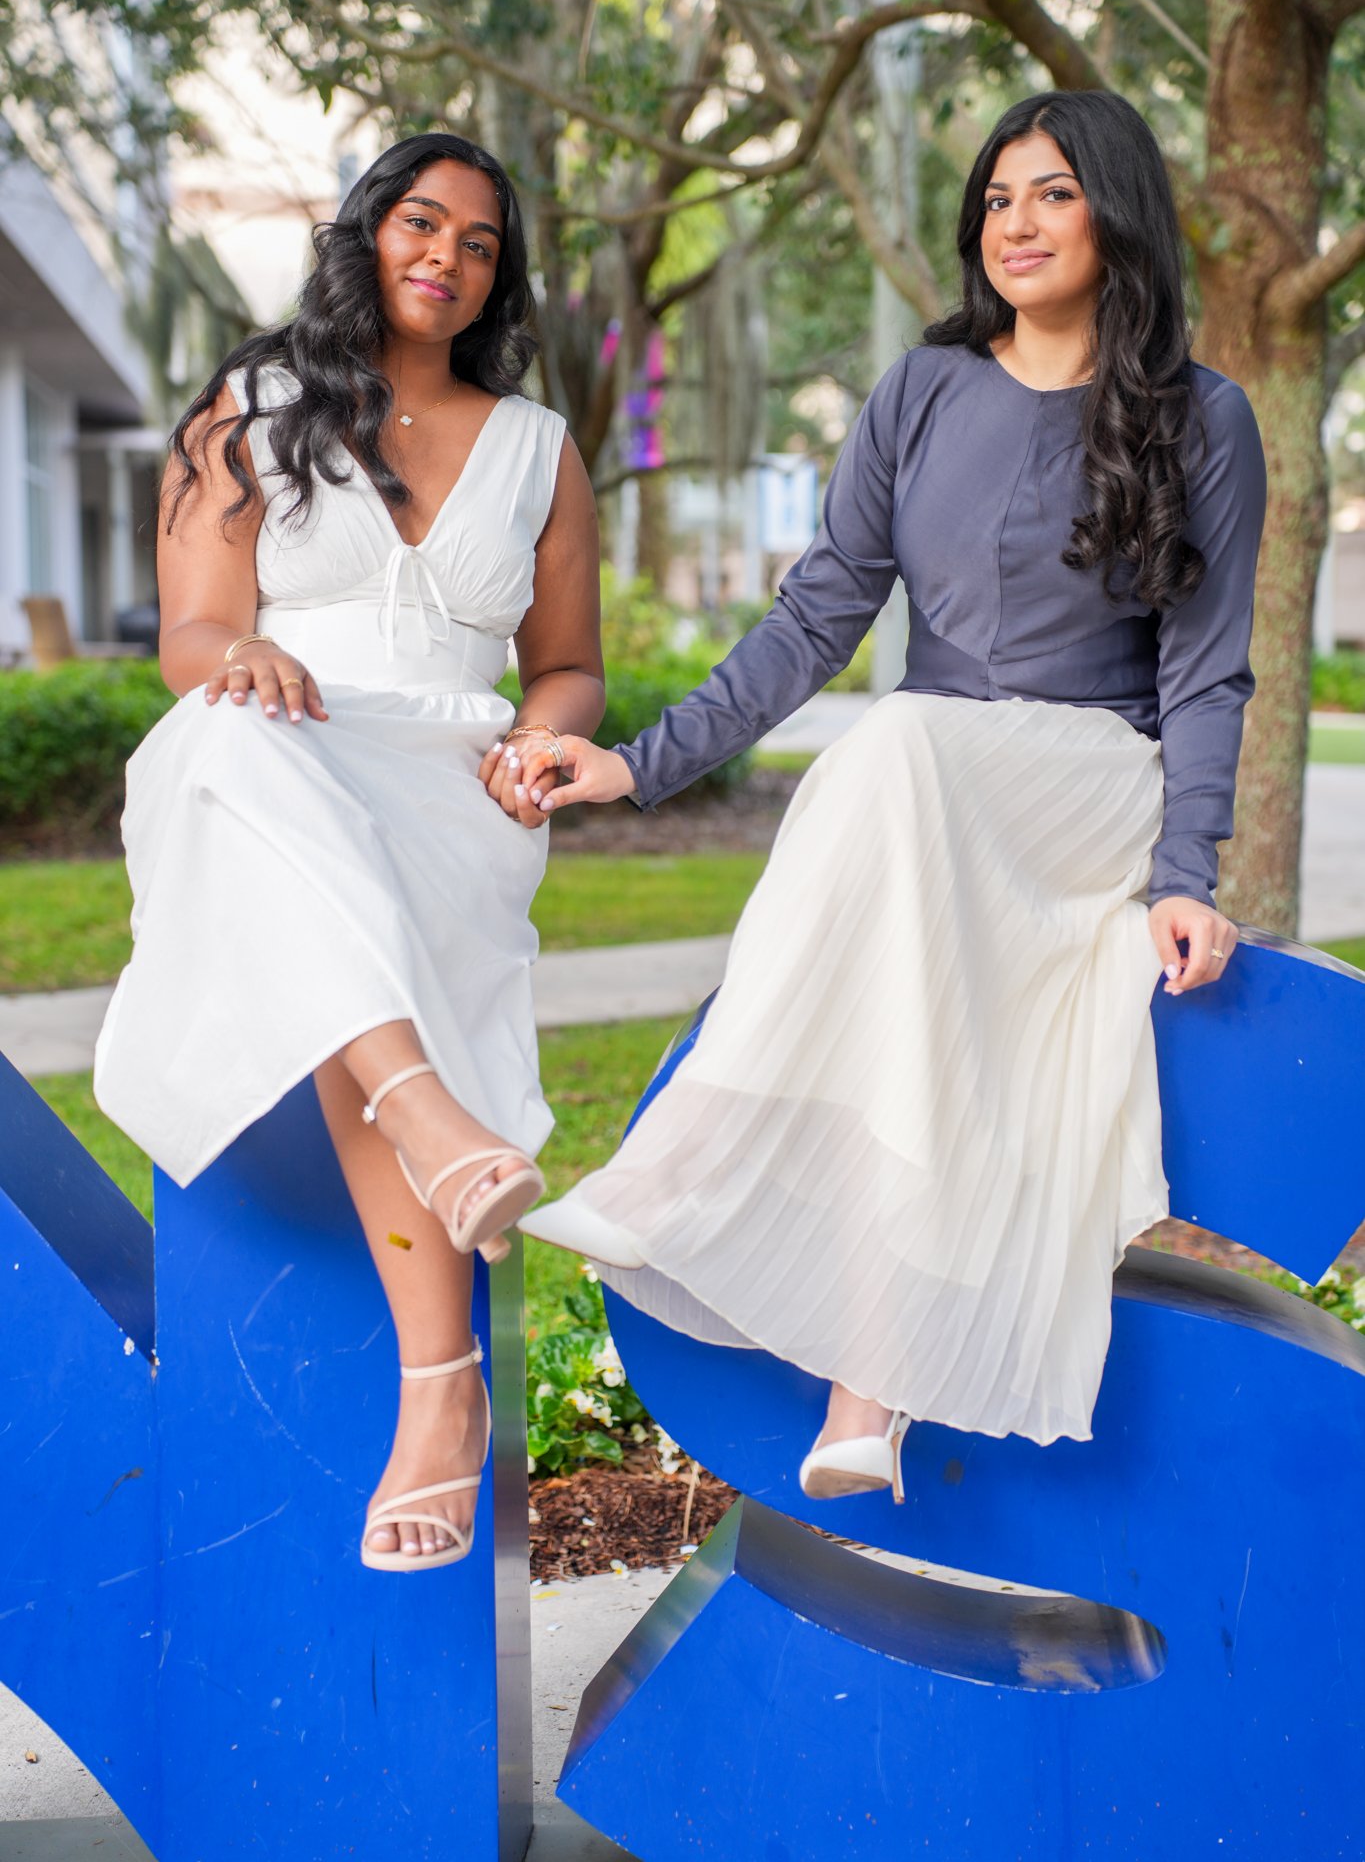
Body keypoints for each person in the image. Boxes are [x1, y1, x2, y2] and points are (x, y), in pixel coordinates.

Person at [517, 91, 1266, 1499]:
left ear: (1114, 213)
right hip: (928, 779)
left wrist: (1183, 871)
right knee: (900, 881)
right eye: (994, 199)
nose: (1015, 224)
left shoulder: (1203, 419)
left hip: (1081, 778)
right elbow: (815, 620)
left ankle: (681, 1178)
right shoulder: (921, 392)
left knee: (894, 747)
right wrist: (637, 764)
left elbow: (1207, 675)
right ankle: (864, 1396)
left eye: (1049, 194)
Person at [94, 133, 605, 1568]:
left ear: (500, 276)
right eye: (419, 223)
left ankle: (440, 1358)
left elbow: (566, 669)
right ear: (366, 232)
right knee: (238, 757)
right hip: (285, 741)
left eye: (480, 243)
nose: (444, 257)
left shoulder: (539, 451)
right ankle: (436, 1259)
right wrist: (244, 652)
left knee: (324, 893)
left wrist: (537, 743)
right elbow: (191, 637)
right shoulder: (252, 409)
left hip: (455, 779)